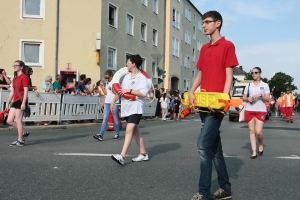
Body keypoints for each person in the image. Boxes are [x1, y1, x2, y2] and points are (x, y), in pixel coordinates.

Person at [189, 11, 238, 200]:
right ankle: (225, 188)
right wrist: (193, 90)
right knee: (215, 147)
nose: (204, 25)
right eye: (202, 22)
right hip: (203, 102)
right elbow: (201, 73)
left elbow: (229, 75)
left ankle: (204, 193)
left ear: (218, 23)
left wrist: (222, 100)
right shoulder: (204, 48)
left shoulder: (227, 45)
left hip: (216, 105)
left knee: (203, 145)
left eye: (207, 22)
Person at [111, 54, 150, 165]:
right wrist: (114, 101)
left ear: (133, 64)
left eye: (128, 62)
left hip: (136, 107)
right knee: (136, 131)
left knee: (128, 130)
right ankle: (143, 154)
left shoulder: (142, 78)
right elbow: (121, 91)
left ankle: (122, 156)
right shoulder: (127, 77)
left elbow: (142, 93)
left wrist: (130, 90)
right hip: (127, 107)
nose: (126, 64)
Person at [243, 67, 270, 160]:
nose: (253, 74)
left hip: (261, 110)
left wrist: (260, 95)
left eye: (256, 72)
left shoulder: (265, 85)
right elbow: (244, 98)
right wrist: (248, 99)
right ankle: (254, 151)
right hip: (250, 109)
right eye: (252, 72)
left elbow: (267, 99)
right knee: (251, 130)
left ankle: (261, 144)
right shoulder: (249, 85)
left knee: (258, 132)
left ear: (260, 74)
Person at [6, 60, 30, 146]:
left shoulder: (24, 77)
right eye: (14, 65)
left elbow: (26, 91)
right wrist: (8, 102)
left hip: (21, 100)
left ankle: (20, 140)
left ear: (21, 67)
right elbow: (13, 91)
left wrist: (23, 103)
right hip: (15, 101)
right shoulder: (15, 79)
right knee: (9, 120)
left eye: (16, 65)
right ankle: (23, 133)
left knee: (18, 121)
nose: (15, 66)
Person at [93, 70, 121, 141]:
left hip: (114, 102)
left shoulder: (115, 83)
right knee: (105, 119)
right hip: (107, 102)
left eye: (108, 78)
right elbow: (106, 93)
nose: (106, 79)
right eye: (105, 78)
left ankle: (117, 134)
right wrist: (102, 87)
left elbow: (118, 93)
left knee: (115, 118)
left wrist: (111, 89)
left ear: (111, 76)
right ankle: (101, 135)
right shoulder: (107, 83)